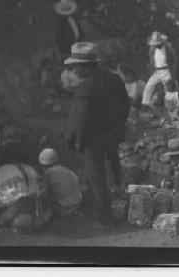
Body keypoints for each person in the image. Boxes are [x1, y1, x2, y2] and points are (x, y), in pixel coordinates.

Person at [64, 42, 130, 227]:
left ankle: (104, 219)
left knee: (97, 178)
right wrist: (115, 127)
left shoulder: (85, 88)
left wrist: (77, 142)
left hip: (92, 140)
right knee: (112, 170)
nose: (74, 70)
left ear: (87, 66)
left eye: (76, 66)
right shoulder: (115, 80)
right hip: (111, 136)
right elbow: (125, 106)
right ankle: (116, 202)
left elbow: (81, 119)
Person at [39, 148, 82, 216]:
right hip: (77, 203)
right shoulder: (67, 170)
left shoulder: (47, 174)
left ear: (43, 165)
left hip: (62, 207)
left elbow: (43, 192)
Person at [142, 32, 177, 108]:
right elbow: (151, 61)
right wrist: (151, 70)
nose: (156, 45)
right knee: (149, 86)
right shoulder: (152, 49)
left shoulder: (168, 48)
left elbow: (173, 60)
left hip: (166, 70)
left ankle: (172, 109)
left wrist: (173, 74)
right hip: (156, 71)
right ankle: (145, 104)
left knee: (170, 90)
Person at [54, 0, 85, 64]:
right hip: (68, 47)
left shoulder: (74, 18)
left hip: (78, 43)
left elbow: (79, 29)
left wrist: (82, 37)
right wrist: (64, 49)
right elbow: (59, 36)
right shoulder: (61, 22)